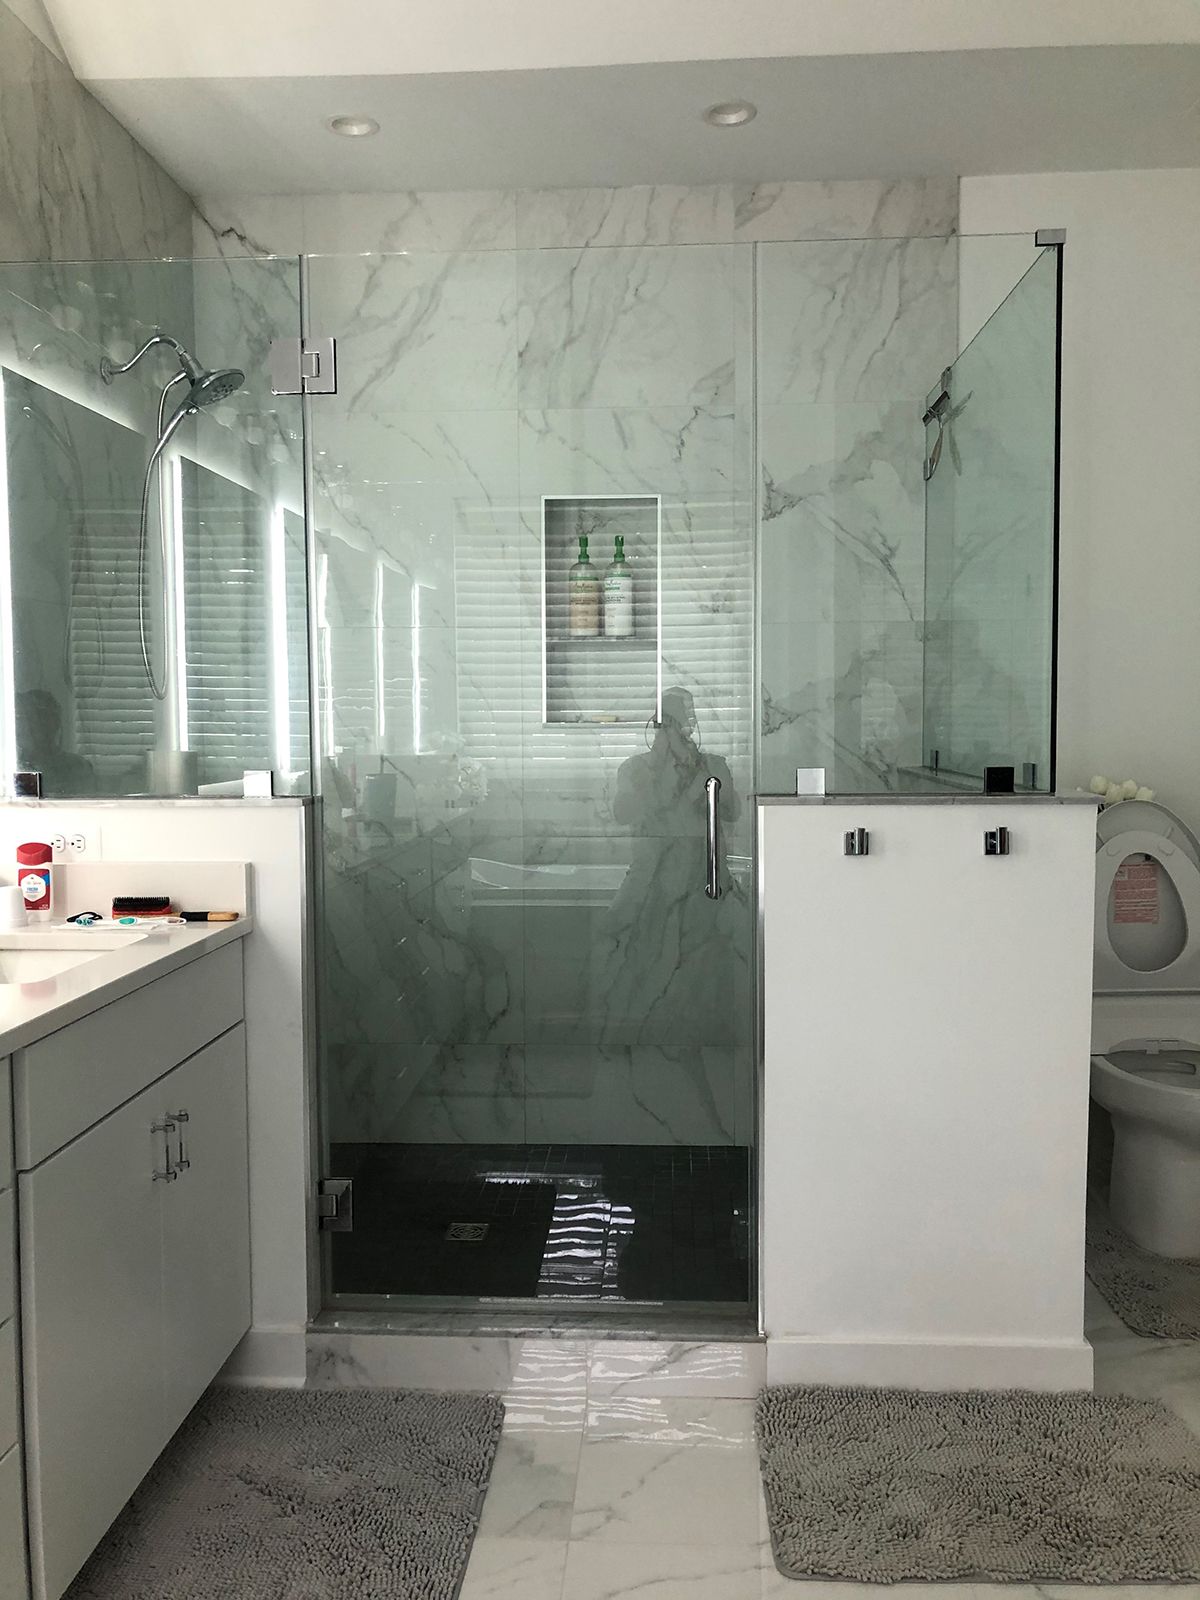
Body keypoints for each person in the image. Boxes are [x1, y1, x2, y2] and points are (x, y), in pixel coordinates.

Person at [15, 689, 96, 795]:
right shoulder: (12, 766)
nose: (25, 726)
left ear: (56, 724)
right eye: (20, 719)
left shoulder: (78, 767)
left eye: (44, 718)